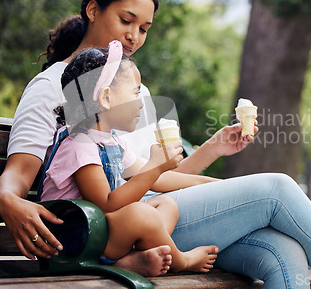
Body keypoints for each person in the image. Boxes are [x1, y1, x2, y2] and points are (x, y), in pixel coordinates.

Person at [0, 0, 311, 288]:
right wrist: (8, 199)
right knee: (278, 188)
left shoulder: (134, 91)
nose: (134, 36)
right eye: (126, 20)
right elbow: (19, 174)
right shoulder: (52, 87)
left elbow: (156, 175)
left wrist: (213, 151)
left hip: (154, 218)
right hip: (123, 226)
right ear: (93, 10)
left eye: (144, 28)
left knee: (281, 254)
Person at [40, 43, 218, 272]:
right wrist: (154, 168)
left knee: (166, 204)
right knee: (141, 213)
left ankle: (132, 260)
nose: (141, 102)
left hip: (99, 235)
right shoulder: (78, 144)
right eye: (135, 92)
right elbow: (104, 205)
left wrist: (213, 184)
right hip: (70, 244)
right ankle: (183, 261)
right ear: (106, 97)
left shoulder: (113, 141)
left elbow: (158, 181)